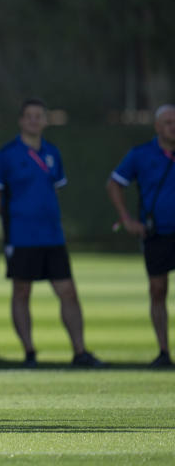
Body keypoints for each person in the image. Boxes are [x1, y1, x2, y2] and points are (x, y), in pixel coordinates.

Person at [0, 98, 102, 368]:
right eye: (30, 116)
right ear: (21, 120)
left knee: (68, 292)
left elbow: (55, 188)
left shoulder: (53, 152)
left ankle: (80, 352)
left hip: (52, 235)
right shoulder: (7, 154)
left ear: (46, 121)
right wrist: (13, 216)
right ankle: (29, 352)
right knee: (22, 291)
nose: (35, 120)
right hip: (21, 236)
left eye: (39, 116)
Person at [107, 104, 175, 367]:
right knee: (158, 289)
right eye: (168, 122)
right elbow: (114, 184)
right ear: (157, 127)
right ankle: (163, 351)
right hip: (156, 232)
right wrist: (126, 219)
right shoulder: (141, 155)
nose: (173, 127)